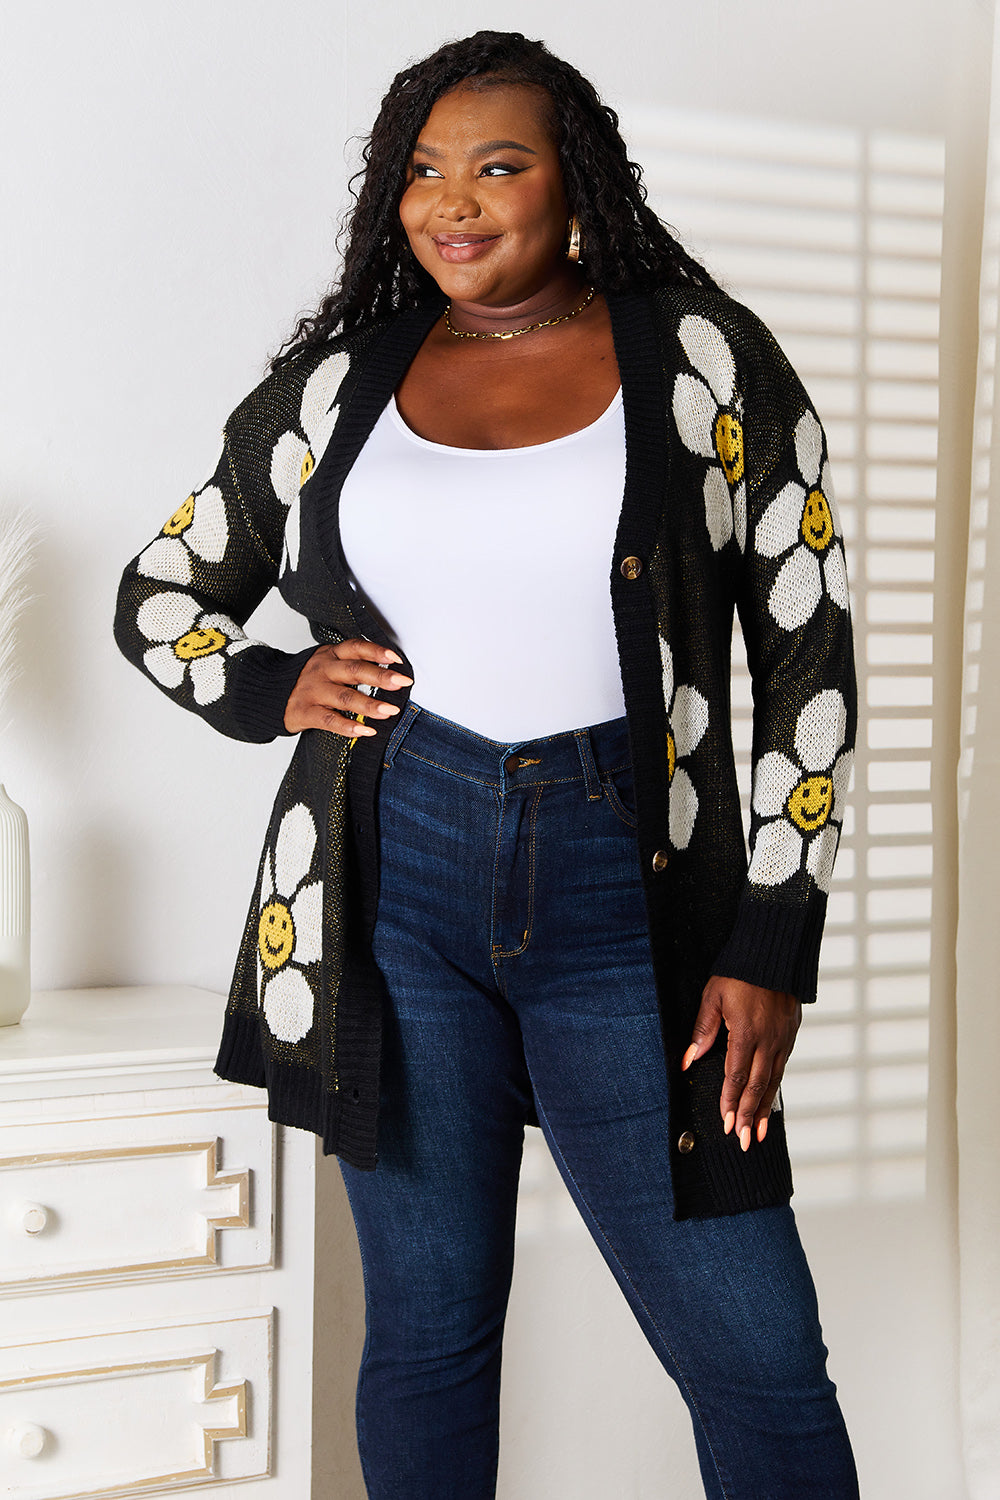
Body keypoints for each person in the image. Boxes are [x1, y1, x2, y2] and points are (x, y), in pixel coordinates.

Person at [115, 29, 859, 1500]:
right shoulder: (342, 385)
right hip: (392, 886)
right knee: (431, 1337)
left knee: (757, 1357)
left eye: (498, 166)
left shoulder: (702, 356)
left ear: (572, 183)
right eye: (424, 171)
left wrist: (771, 932)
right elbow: (159, 593)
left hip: (625, 895)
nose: (455, 201)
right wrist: (276, 683)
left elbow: (806, 650)